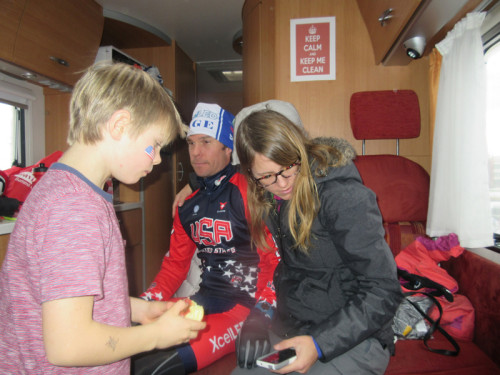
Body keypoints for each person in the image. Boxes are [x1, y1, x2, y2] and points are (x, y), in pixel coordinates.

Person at [0, 62, 206, 374]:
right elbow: (69, 345)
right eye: (156, 145)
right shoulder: (73, 210)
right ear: (119, 125)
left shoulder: (71, 192)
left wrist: (141, 310)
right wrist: (154, 336)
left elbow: (79, 298)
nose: (157, 160)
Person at [231, 102, 404, 375]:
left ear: (299, 149)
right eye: (266, 176)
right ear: (252, 176)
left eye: (288, 166)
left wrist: (319, 344)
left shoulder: (343, 198)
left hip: (353, 338)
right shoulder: (269, 198)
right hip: (293, 329)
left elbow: (383, 289)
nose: (283, 182)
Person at [134, 103, 280, 374]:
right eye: (191, 143)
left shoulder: (253, 192)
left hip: (245, 308)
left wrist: (262, 315)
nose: (195, 153)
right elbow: (175, 265)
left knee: (154, 370)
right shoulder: (186, 203)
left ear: (228, 147)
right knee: (128, 341)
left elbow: (276, 263)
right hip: (203, 300)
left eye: (206, 142)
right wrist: (148, 301)